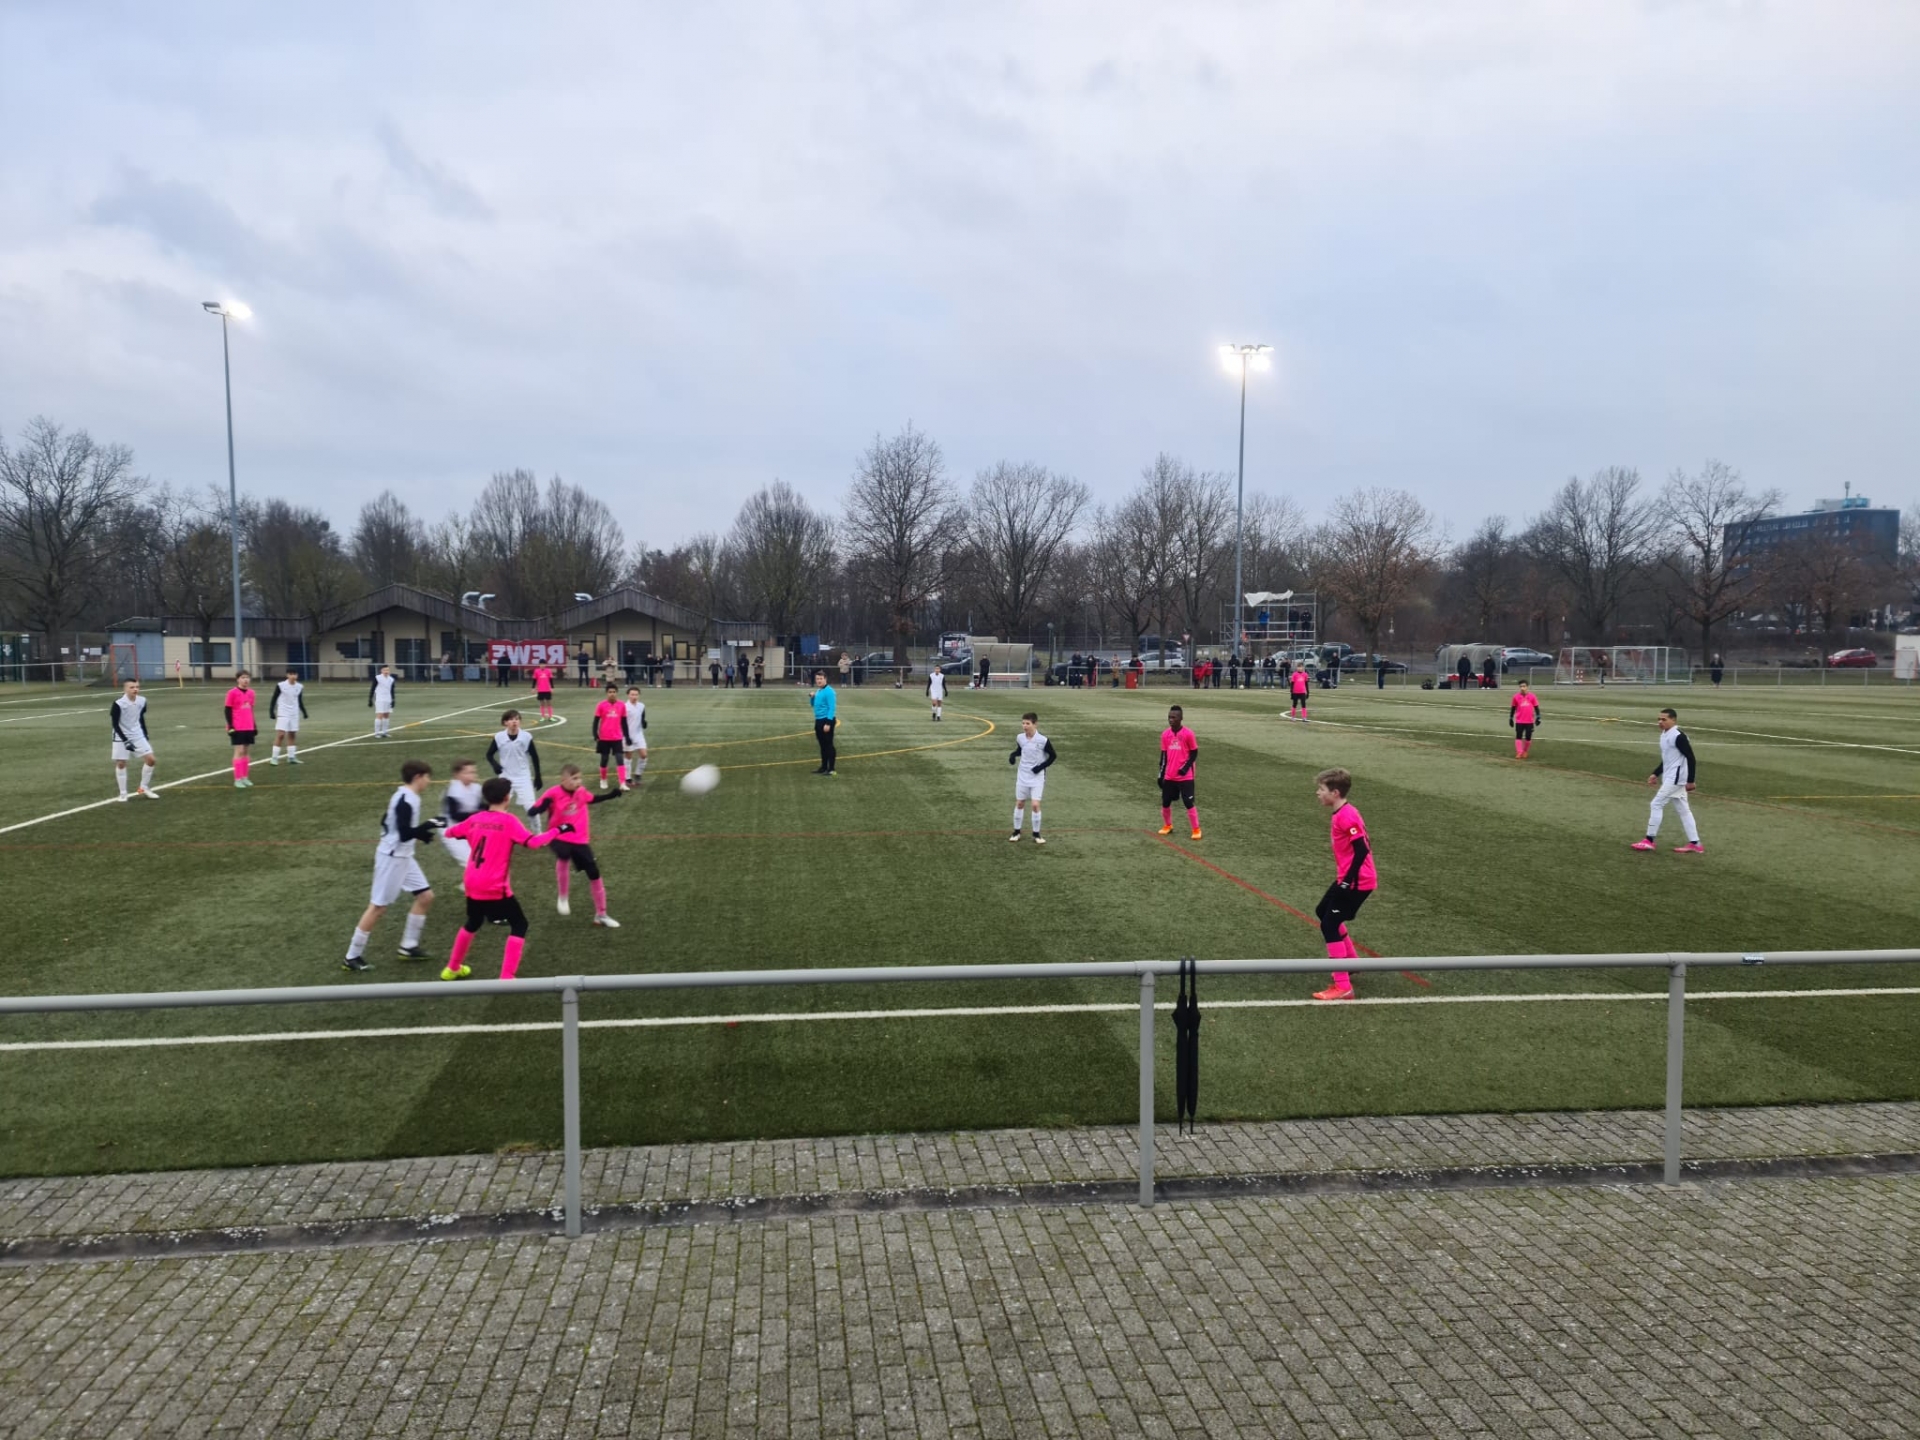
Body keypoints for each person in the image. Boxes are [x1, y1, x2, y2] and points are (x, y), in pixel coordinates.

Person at [441, 776, 569, 981]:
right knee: (519, 924)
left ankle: (452, 967)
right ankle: (507, 977)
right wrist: (558, 830)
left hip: (472, 882)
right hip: (494, 885)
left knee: (473, 922)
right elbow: (533, 843)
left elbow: (451, 832)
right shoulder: (509, 821)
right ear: (507, 797)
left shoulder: (475, 819)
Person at [342, 759, 442, 971]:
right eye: (427, 777)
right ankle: (352, 957)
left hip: (404, 856)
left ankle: (408, 946)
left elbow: (388, 822)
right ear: (417, 777)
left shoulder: (405, 796)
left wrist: (421, 834)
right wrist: (428, 825)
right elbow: (404, 834)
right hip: (392, 858)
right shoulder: (406, 800)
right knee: (378, 907)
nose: (429, 781)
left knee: (425, 897)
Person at [1312, 767, 1377, 1002]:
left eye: (1322, 789)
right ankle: (1351, 963)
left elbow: (1362, 850)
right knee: (1323, 911)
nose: (1318, 793)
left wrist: (1348, 881)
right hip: (1347, 879)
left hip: (1357, 882)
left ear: (1335, 793)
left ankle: (1343, 986)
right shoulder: (1342, 813)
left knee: (1329, 925)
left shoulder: (1346, 816)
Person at [530, 763, 622, 927]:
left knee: (594, 872)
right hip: (558, 835)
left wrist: (610, 795)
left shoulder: (581, 792)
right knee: (564, 854)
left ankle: (601, 914)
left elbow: (592, 799)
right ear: (563, 780)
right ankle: (563, 897)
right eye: (574, 778)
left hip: (579, 839)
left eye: (579, 778)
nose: (578, 781)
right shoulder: (553, 793)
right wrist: (541, 807)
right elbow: (532, 810)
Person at [1632, 708, 1702, 854]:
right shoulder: (1665, 735)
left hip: (1676, 778)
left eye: (1664, 719)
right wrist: (1656, 773)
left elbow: (1691, 758)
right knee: (1684, 810)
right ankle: (1695, 844)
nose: (1660, 722)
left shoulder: (1678, 736)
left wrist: (1691, 780)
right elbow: (1668, 759)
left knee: (1656, 804)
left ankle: (1649, 840)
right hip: (1671, 777)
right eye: (1659, 719)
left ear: (1673, 720)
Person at [1008, 711, 1057, 844]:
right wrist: (1013, 755)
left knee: (1035, 805)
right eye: (1023, 723)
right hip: (1023, 775)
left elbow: (1053, 756)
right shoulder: (1020, 738)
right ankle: (1016, 832)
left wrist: (1040, 767)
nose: (1024, 726)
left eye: (1027, 723)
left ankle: (1036, 834)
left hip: (1037, 777)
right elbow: (1020, 750)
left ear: (1035, 724)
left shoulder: (1043, 740)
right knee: (1020, 803)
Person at [110, 678, 159, 801]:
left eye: (137, 687)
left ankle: (143, 788)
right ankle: (123, 793)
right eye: (131, 687)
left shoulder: (142, 701)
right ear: (125, 689)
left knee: (151, 760)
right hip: (120, 736)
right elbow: (115, 724)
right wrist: (125, 740)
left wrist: (145, 734)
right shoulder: (118, 704)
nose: (135, 689)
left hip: (137, 734)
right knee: (121, 763)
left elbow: (140, 717)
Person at [1157, 704, 1200, 840]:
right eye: (1169, 717)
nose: (1171, 720)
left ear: (1181, 718)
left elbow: (1194, 753)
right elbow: (1163, 756)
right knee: (1165, 802)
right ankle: (1167, 825)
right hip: (1170, 775)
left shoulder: (1188, 734)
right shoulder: (1165, 735)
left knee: (1188, 802)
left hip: (1185, 776)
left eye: (1174, 717)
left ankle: (1196, 829)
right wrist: (1161, 774)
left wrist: (1185, 768)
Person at [485, 709, 543, 810]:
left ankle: (535, 821)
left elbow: (535, 757)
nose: (514, 721)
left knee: (531, 808)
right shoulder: (499, 737)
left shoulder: (526, 737)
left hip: (523, 776)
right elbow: (489, 754)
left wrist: (538, 776)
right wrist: (495, 765)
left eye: (517, 719)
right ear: (505, 722)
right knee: (500, 807)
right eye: (511, 719)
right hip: (505, 776)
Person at [439, 759, 484, 888]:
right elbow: (455, 815)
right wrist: (479, 814)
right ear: (457, 775)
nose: (473, 775)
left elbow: (482, 806)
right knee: (469, 858)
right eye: (468, 772)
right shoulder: (453, 790)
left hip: (467, 829)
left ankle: (469, 884)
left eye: (474, 772)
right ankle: (470, 886)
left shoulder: (476, 788)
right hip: (451, 831)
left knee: (480, 857)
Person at [592, 682, 630, 790]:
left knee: (620, 759)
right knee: (604, 759)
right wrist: (595, 734)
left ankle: (622, 783)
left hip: (617, 738)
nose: (612, 694)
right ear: (606, 693)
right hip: (604, 738)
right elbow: (596, 721)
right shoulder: (601, 705)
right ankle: (603, 779)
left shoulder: (621, 705)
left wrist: (627, 736)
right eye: (610, 692)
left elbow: (624, 722)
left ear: (616, 693)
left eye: (614, 692)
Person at [223, 670, 257, 788]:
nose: (245, 680)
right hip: (237, 726)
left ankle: (245, 777)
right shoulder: (232, 692)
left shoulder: (252, 693)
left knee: (246, 751)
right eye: (243, 677)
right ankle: (237, 779)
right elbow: (227, 710)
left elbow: (251, 710)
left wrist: (254, 725)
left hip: (249, 726)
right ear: (238, 679)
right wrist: (230, 726)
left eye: (247, 677)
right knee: (239, 751)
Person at [271, 669, 308, 765]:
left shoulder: (299, 686)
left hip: (294, 713)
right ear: (287, 675)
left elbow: (299, 700)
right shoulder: (281, 685)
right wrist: (271, 711)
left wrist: (304, 712)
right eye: (291, 674)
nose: (293, 676)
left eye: (294, 674)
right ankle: (274, 758)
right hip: (283, 712)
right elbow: (274, 698)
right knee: (281, 734)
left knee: (292, 734)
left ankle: (291, 757)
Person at [621, 685, 649, 789]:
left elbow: (642, 717)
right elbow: (622, 723)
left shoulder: (641, 706)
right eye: (632, 694)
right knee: (628, 757)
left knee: (644, 755)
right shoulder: (624, 707)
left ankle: (638, 774)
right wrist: (626, 736)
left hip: (638, 735)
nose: (634, 696)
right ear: (628, 695)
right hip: (627, 735)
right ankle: (627, 778)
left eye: (636, 694)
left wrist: (644, 723)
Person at [810, 670, 838, 775]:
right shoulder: (819, 691)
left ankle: (831, 769)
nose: (819, 681)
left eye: (821, 679)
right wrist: (812, 698)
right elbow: (813, 705)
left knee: (829, 745)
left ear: (825, 679)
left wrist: (828, 723)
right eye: (817, 679)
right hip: (818, 720)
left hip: (826, 720)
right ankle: (823, 767)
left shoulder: (829, 691)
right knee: (822, 745)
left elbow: (832, 708)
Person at [1509, 681, 1542, 759]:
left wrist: (1538, 717)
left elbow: (1536, 707)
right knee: (1518, 736)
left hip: (1529, 721)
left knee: (1528, 737)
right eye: (1521, 686)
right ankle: (1519, 752)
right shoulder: (1516, 697)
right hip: (1519, 721)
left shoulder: (1532, 696)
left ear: (1527, 687)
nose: (1522, 688)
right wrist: (1511, 718)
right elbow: (1513, 708)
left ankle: (1525, 751)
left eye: (1524, 686)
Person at [369, 663, 398, 738]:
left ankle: (385, 732)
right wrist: (370, 699)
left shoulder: (391, 679)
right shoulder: (377, 678)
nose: (386, 671)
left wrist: (393, 699)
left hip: (388, 699)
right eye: (384, 670)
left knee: (386, 715)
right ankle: (377, 733)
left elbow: (392, 690)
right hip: (380, 699)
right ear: (381, 671)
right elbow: (372, 688)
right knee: (380, 715)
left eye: (387, 670)